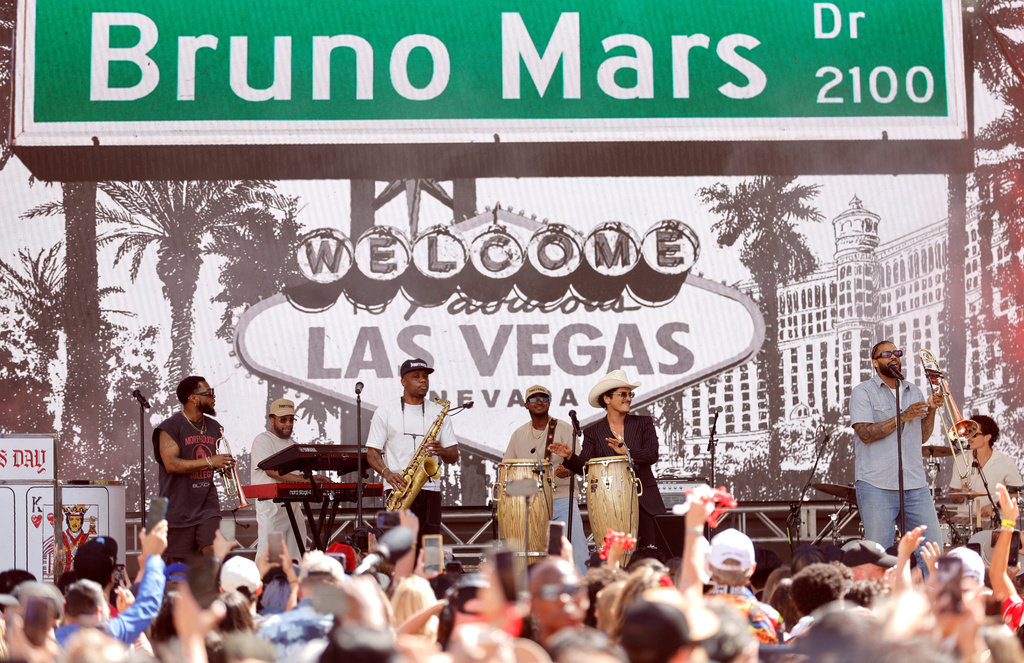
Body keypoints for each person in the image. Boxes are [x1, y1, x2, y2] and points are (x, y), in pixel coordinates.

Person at [551, 370, 666, 551]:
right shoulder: (593, 432)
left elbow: (652, 454)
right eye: (623, 394)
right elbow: (586, 467)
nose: (628, 398)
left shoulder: (643, 423)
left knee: (651, 556)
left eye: (630, 394)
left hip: (644, 501)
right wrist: (570, 457)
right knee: (616, 558)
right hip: (610, 503)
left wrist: (626, 452)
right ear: (607, 399)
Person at [849, 341, 943, 554]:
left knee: (931, 548)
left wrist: (932, 409)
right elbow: (865, 434)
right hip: (877, 484)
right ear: (875, 362)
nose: (894, 357)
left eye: (897, 353)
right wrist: (903, 416)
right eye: (887, 353)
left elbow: (921, 437)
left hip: (915, 483)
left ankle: (927, 588)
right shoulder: (862, 392)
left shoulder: (913, 391)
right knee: (879, 552)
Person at [366, 358, 458, 544]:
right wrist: (387, 473)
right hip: (399, 491)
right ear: (403, 382)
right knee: (399, 548)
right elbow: (372, 452)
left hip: (430, 489)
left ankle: (431, 574)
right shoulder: (385, 411)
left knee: (431, 548)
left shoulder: (439, 412)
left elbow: (453, 455)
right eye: (416, 376)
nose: (423, 380)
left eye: (425, 376)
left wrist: (441, 450)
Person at [503, 384, 588, 573]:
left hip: (563, 498)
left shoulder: (565, 429)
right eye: (533, 399)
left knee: (576, 550)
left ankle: (583, 589)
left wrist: (568, 469)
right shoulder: (518, 435)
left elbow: (581, 466)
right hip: (530, 502)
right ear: (526, 405)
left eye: (543, 398)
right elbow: (507, 476)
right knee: (532, 552)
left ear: (549, 402)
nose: (539, 401)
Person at [153, 375, 235, 561]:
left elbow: (212, 462)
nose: (213, 397)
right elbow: (171, 464)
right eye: (209, 393)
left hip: (207, 503)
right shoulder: (170, 427)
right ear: (193, 398)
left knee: (213, 552)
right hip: (178, 506)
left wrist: (222, 467)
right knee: (179, 567)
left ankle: (216, 589)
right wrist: (210, 462)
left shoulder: (215, 427)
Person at [250, 398, 329, 561]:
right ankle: (265, 586)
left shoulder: (291, 444)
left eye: (291, 420)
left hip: (292, 507)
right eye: (283, 419)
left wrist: (312, 478)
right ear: (272, 419)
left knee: (296, 556)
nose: (288, 424)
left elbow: (296, 476)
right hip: (272, 508)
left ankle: (295, 584)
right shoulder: (263, 440)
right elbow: (272, 472)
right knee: (271, 556)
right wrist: (307, 481)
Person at [949, 414, 1024, 523]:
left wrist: (994, 506)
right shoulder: (960, 460)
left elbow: (1019, 496)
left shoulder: (1005, 462)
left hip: (994, 522)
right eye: (968, 433)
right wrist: (961, 493)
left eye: (974, 434)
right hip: (965, 520)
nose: (969, 438)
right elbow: (953, 498)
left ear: (987, 437)